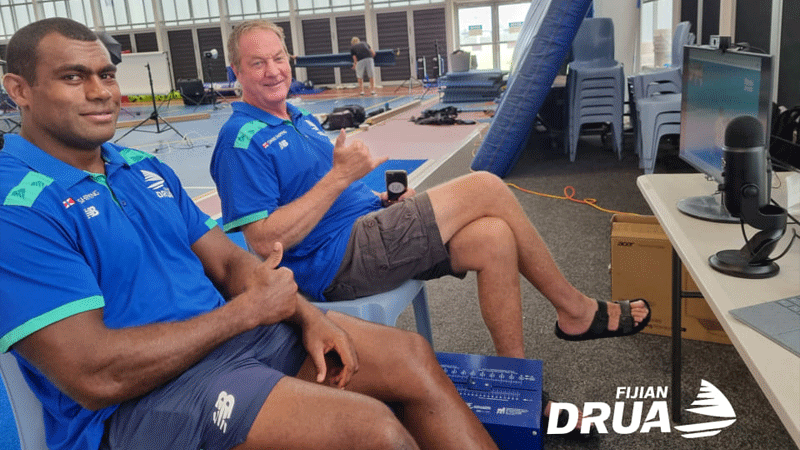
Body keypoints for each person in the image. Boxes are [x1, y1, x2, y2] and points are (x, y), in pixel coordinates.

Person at [0, 18, 500, 450]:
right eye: (73, 77)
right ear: (19, 90)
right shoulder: (16, 208)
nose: (100, 92)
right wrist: (244, 314)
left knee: (411, 357)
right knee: (372, 429)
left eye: (106, 74)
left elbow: (229, 262)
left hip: (231, 344)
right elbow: (94, 375)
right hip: (141, 402)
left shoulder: (141, 167)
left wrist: (307, 316)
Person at [212, 19, 652, 362]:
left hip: (368, 226)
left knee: (495, 236)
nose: (273, 70)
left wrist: (378, 200)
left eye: (278, 58)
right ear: (237, 72)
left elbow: (328, 197)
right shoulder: (240, 141)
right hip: (338, 261)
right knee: (486, 186)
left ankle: (516, 378)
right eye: (258, 63)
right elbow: (264, 241)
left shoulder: (299, 117)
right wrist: (339, 178)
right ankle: (574, 310)